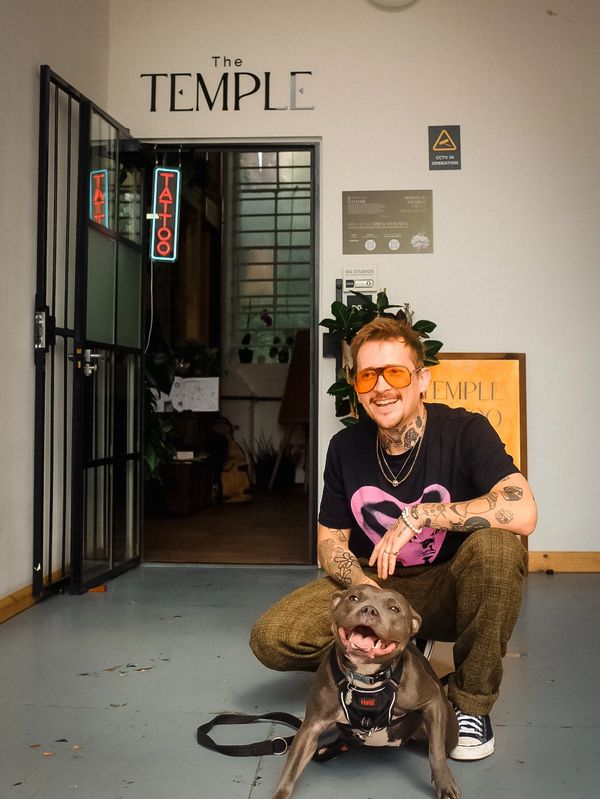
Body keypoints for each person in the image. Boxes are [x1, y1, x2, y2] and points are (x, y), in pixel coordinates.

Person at [250, 316, 537, 761]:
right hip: (373, 584)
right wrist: (370, 597)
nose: (381, 387)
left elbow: (523, 511)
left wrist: (423, 515)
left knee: (499, 547)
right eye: (368, 375)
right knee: (273, 637)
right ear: (356, 386)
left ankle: (470, 704)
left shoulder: (465, 431)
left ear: (421, 378)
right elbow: (329, 541)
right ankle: (394, 643)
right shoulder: (346, 446)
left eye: (395, 373)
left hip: (449, 584)